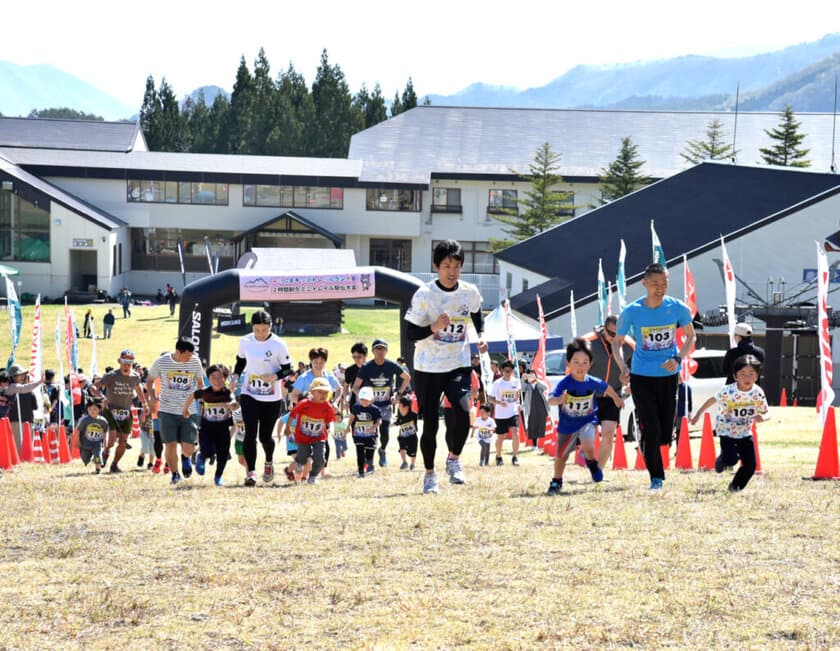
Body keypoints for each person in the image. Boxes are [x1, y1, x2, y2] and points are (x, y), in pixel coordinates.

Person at [404, 239, 486, 494]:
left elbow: (476, 312)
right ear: (436, 266)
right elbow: (410, 333)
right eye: (447, 266)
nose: (452, 272)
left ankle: (454, 458)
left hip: (458, 363)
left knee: (462, 413)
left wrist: (480, 334)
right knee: (430, 424)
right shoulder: (425, 294)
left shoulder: (469, 291)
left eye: (457, 266)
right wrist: (434, 327)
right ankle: (430, 475)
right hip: (428, 366)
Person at [613, 263, 696, 490]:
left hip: (669, 375)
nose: (660, 288)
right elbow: (616, 342)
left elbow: (691, 337)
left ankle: (649, 439)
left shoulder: (678, 308)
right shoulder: (632, 311)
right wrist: (623, 367)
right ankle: (656, 478)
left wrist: (679, 358)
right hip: (641, 375)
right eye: (655, 283)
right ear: (645, 283)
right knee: (651, 428)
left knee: (664, 434)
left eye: (664, 283)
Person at [546, 338, 624, 494]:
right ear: (568, 363)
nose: (580, 367)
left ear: (590, 364)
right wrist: (559, 400)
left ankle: (592, 463)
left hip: (587, 421)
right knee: (561, 456)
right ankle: (556, 480)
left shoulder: (591, 381)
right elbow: (551, 399)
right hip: (567, 425)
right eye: (576, 362)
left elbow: (606, 387)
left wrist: (616, 398)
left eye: (584, 362)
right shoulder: (565, 383)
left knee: (589, 446)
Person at [230, 310, 292, 487]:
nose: (260, 334)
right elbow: (240, 362)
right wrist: (235, 377)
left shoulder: (279, 344)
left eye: (264, 330)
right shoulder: (245, 341)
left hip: (271, 396)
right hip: (250, 392)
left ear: (270, 327)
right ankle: (251, 473)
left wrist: (275, 377)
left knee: (265, 436)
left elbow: (288, 369)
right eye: (257, 330)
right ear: (252, 328)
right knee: (250, 432)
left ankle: (269, 462)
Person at [691, 354, 769, 491]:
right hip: (726, 430)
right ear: (735, 376)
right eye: (743, 374)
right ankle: (722, 460)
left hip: (745, 432)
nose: (747, 378)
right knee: (731, 460)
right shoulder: (729, 390)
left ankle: (735, 486)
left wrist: (762, 418)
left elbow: (766, 412)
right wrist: (698, 414)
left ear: (757, 376)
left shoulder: (758, 393)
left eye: (751, 374)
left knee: (751, 465)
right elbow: (712, 400)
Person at [146, 337, 207, 486]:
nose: (189, 358)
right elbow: (149, 380)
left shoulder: (195, 362)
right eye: (186, 355)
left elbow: (200, 383)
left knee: (189, 448)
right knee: (170, 444)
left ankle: (186, 458)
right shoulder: (162, 361)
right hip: (167, 410)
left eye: (191, 355)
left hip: (189, 410)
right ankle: (175, 474)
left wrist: (202, 401)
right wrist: (152, 397)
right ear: (178, 352)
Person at [351, 338, 411, 467]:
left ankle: (382, 450)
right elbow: (355, 387)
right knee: (371, 434)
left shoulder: (391, 365)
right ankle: (369, 460)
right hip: (371, 406)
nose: (380, 352)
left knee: (385, 433)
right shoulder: (367, 367)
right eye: (377, 349)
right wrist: (363, 398)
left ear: (386, 351)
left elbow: (407, 378)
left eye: (382, 349)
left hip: (386, 405)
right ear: (372, 351)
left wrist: (399, 394)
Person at [183, 364, 238, 487]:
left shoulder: (227, 392)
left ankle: (218, 477)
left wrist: (229, 405)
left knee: (223, 454)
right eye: (213, 377)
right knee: (207, 450)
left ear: (225, 379)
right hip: (207, 427)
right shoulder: (205, 392)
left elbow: (234, 403)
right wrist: (185, 409)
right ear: (208, 378)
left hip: (223, 427)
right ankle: (201, 457)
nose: (217, 380)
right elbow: (192, 395)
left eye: (220, 377)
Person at [588, 315, 633, 468]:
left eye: (618, 334)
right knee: (589, 433)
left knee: (608, 435)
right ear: (603, 329)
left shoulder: (628, 346)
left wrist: (628, 379)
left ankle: (599, 471)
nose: (615, 338)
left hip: (613, 395)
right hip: (590, 395)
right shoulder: (590, 343)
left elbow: (634, 370)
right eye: (611, 334)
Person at [291, 347, 342, 477]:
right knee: (306, 443)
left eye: (321, 362)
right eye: (315, 362)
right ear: (311, 362)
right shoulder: (304, 378)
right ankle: (300, 466)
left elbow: (340, 390)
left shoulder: (329, 376)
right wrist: (302, 405)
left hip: (324, 413)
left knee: (323, 440)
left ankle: (323, 469)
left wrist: (335, 403)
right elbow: (293, 395)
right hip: (307, 417)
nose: (318, 365)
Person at [99, 350, 149, 473]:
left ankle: (114, 464)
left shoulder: (135, 377)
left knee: (123, 442)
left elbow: (139, 389)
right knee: (111, 440)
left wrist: (145, 404)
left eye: (130, 362)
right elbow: (94, 387)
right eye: (124, 361)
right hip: (110, 411)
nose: (127, 364)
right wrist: (102, 398)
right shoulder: (111, 376)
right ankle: (105, 452)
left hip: (126, 412)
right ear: (119, 361)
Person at [281, 377, 336, 483]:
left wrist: (330, 430)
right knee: (302, 460)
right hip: (303, 437)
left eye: (326, 392)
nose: (323, 395)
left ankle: (312, 477)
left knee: (320, 458)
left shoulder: (327, 407)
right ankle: (292, 471)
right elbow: (292, 415)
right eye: (320, 392)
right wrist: (287, 428)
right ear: (312, 392)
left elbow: (329, 421)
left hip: (319, 437)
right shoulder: (303, 404)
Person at [6, 364, 45, 455]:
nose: (23, 377)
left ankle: (27, 461)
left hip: (28, 420)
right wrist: (39, 382)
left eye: (23, 374)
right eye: (20, 374)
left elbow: (35, 407)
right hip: (16, 420)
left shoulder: (27, 390)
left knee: (28, 443)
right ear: (13, 377)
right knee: (18, 444)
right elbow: (34, 405)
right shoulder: (11, 388)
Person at [489, 360, 521, 466]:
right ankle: (498, 456)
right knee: (501, 437)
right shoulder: (497, 383)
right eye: (506, 371)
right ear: (502, 370)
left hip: (513, 412)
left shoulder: (516, 381)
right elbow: (490, 398)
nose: (508, 373)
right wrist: (499, 403)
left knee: (515, 432)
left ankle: (515, 457)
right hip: (501, 414)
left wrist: (518, 403)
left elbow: (517, 395)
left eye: (510, 371)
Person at [347, 386, 381, 477]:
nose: (364, 402)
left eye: (366, 400)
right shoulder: (356, 407)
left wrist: (374, 427)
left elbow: (379, 420)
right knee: (360, 452)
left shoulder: (375, 409)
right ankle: (361, 470)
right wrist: (348, 427)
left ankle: (370, 466)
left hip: (371, 435)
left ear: (371, 399)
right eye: (362, 399)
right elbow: (352, 417)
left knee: (370, 452)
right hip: (358, 434)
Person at [76, 397, 109, 474]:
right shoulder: (84, 420)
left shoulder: (103, 421)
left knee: (98, 454)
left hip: (97, 443)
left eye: (94, 409)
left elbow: (105, 432)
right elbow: (78, 430)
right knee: (85, 458)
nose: (92, 411)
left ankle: (98, 469)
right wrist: (77, 441)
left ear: (99, 410)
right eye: (89, 409)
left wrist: (105, 442)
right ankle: (88, 459)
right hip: (85, 443)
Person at [521, 370, 550, 448]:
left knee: (542, 424)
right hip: (531, 407)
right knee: (532, 425)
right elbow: (522, 389)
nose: (531, 377)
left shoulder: (539, 384)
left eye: (533, 375)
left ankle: (543, 444)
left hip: (541, 407)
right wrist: (523, 379)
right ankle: (534, 444)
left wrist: (536, 380)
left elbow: (545, 387)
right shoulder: (527, 386)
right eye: (530, 376)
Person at [393, 395, 419, 470]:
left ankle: (413, 464)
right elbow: (398, 422)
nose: (399, 407)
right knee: (402, 448)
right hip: (402, 436)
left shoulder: (413, 415)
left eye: (400, 406)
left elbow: (415, 426)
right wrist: (391, 425)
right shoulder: (399, 413)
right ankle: (404, 462)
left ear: (406, 407)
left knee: (413, 452)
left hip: (412, 436)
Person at [344, 342, 367, 412]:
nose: (356, 359)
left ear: (365, 355)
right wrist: (346, 399)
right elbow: (346, 386)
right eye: (354, 357)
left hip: (370, 401)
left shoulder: (372, 368)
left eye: (359, 356)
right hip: (355, 402)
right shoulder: (349, 370)